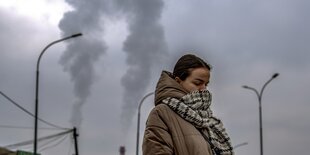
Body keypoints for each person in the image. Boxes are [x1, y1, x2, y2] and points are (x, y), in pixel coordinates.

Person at [142, 54, 234, 155]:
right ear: (178, 81)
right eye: (197, 83)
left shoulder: (208, 121)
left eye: (206, 84)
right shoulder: (161, 114)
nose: (204, 89)